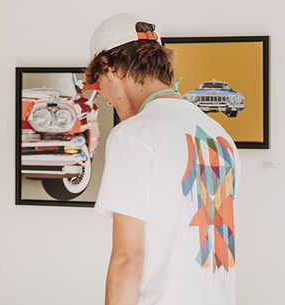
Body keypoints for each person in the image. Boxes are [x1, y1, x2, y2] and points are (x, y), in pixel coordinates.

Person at [85, 13, 240, 305]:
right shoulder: (220, 137)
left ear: (111, 67)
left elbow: (126, 259)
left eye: (99, 85)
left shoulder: (134, 135)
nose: (105, 99)